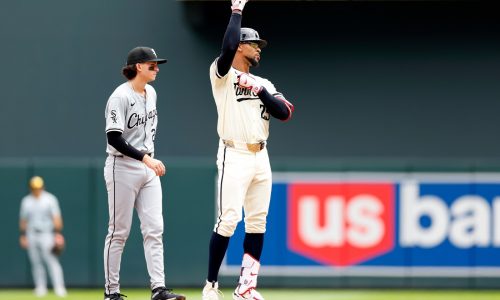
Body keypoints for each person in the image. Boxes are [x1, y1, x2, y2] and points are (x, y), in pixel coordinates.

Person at [202, 1, 294, 299]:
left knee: (257, 221)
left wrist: (260, 90)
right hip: (234, 152)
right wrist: (237, 11)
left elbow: (285, 113)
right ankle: (211, 286)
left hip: (260, 155)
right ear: (241, 46)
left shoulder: (264, 82)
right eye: (254, 44)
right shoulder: (223, 75)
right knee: (228, 219)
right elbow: (226, 50)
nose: (259, 49)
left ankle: (246, 287)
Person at [103, 46, 185, 300]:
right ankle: (111, 292)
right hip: (122, 166)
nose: (157, 68)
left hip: (147, 166)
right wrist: (146, 158)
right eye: (152, 64)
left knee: (154, 228)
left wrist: (147, 159)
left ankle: (158, 288)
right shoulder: (120, 96)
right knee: (119, 231)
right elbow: (114, 138)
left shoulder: (151, 92)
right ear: (138, 66)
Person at [19, 176, 67, 298]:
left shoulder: (50, 199)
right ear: (31, 188)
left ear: (43, 187)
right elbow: (24, 220)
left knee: (52, 261)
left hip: (47, 233)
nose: (37, 190)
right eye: (34, 188)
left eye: (39, 187)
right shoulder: (26, 201)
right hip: (32, 233)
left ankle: (59, 287)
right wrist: (23, 235)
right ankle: (40, 288)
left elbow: (56, 218)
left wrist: (58, 234)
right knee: (36, 262)